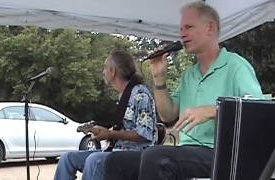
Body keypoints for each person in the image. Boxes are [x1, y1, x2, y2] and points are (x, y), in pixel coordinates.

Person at [103, 1, 264, 180]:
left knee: (157, 157)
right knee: (114, 161)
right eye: (181, 29)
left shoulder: (236, 66)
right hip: (187, 152)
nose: (182, 34)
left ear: (210, 28)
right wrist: (159, 78)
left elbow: (257, 113)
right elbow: (167, 115)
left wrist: (213, 111)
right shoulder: (189, 75)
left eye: (189, 27)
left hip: (221, 153)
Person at [54, 50, 158, 180]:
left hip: (138, 156)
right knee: (67, 158)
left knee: (94, 160)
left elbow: (144, 134)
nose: (103, 71)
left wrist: (110, 134)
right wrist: (105, 132)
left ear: (113, 71)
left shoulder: (140, 95)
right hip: (117, 152)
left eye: (105, 67)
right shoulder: (124, 95)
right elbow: (125, 129)